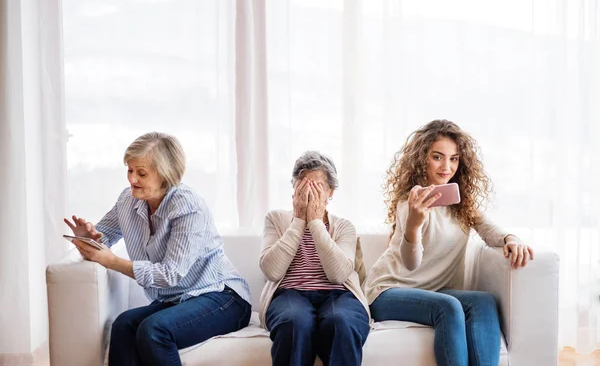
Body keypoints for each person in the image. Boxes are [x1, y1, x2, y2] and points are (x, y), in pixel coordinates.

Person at [64, 132, 251, 366]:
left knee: (154, 331)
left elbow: (170, 274)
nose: (132, 179)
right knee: (123, 326)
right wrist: (87, 239)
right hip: (176, 301)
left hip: (222, 298)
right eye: (130, 170)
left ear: (165, 175)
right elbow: (104, 237)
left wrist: (112, 261)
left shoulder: (188, 206)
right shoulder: (128, 200)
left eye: (141, 173)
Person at [364, 119, 534, 366]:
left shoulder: (461, 205)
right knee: (449, 307)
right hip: (387, 292)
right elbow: (411, 264)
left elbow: (486, 228)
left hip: (433, 292)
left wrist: (511, 238)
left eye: (454, 158)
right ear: (422, 158)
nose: (447, 166)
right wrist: (413, 224)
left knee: (484, 302)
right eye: (438, 157)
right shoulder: (410, 204)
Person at [258, 151, 370, 366]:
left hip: (339, 295)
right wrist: (299, 220)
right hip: (290, 293)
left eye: (317, 187)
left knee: (341, 323)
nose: (309, 193)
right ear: (294, 189)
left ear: (331, 192)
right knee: (294, 323)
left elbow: (338, 275)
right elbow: (272, 271)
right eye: (303, 186)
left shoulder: (344, 226)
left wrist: (316, 223)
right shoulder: (276, 219)